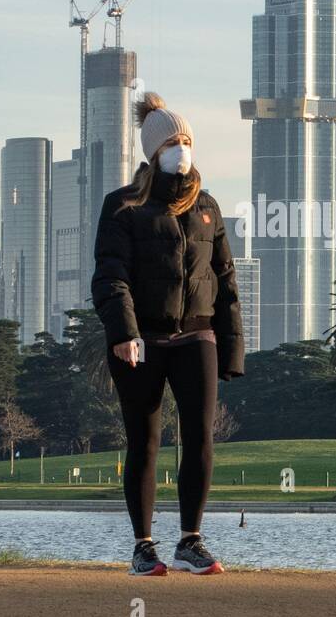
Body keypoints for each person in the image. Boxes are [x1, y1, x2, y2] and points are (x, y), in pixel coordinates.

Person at [92, 92, 245, 577]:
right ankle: (143, 546)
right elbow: (110, 275)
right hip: (140, 342)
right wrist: (124, 331)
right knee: (145, 440)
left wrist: (232, 348)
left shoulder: (208, 207)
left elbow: (225, 281)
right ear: (153, 151)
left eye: (188, 141)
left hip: (197, 338)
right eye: (173, 142)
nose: (183, 149)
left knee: (200, 437)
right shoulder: (123, 205)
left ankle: (190, 541)